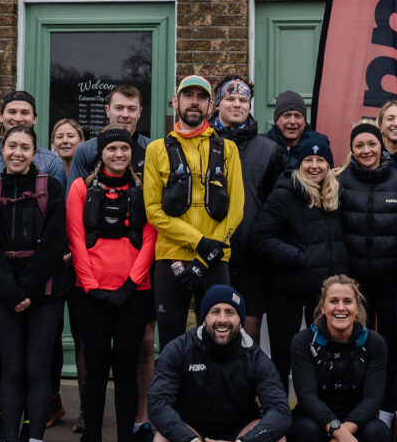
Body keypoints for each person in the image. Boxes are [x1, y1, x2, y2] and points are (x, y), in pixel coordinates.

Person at [148, 284, 290, 442]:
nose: (222, 319)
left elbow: (280, 412)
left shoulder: (255, 357)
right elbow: (158, 404)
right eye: (215, 311)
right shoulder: (179, 349)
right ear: (204, 317)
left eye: (230, 312)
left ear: (241, 321)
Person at [0, 124, 69, 442]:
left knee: (37, 369)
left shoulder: (52, 188)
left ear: (35, 153)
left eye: (25, 147)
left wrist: (28, 288)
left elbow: (54, 243)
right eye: (12, 146)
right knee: (10, 369)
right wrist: (12, 292)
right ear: (2, 150)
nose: (17, 153)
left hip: (45, 292)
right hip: (5, 295)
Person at [67, 126, 156, 442]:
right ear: (99, 153)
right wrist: (91, 286)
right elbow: (75, 235)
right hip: (91, 292)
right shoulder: (80, 187)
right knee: (95, 369)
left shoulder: (144, 189)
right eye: (112, 149)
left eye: (124, 148)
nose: (118, 154)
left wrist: (131, 284)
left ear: (132, 152)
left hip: (135, 291)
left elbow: (151, 237)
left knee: (127, 368)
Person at [144, 74, 245, 346]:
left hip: (215, 260)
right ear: (175, 102)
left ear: (210, 107)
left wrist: (210, 252)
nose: (194, 102)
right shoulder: (156, 150)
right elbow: (154, 211)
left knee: (218, 339)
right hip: (171, 258)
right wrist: (198, 242)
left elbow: (236, 208)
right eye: (188, 96)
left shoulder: (228, 149)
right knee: (171, 340)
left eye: (201, 97)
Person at [287, 275, 391, 442]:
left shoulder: (375, 343)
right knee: (300, 432)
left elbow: (373, 399)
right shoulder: (302, 342)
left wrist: (343, 433)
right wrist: (336, 430)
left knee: (382, 435)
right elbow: (307, 397)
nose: (340, 307)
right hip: (314, 421)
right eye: (333, 301)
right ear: (322, 307)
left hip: (357, 425)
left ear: (357, 308)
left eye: (347, 301)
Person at [334, 122, 397, 423]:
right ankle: (354, 412)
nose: (366, 150)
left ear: (381, 146)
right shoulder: (339, 182)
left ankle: (387, 412)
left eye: (371, 144)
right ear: (351, 150)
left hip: (391, 279)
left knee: (391, 346)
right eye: (359, 145)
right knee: (352, 344)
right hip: (353, 281)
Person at [253, 132, 348, 356]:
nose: (314, 166)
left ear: (329, 164)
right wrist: (298, 257)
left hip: (323, 290)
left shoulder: (337, 194)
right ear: (299, 163)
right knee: (282, 354)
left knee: (323, 355)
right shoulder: (284, 194)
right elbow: (260, 238)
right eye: (308, 160)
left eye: (320, 160)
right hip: (287, 288)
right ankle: (278, 393)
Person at [210, 76, 282, 355]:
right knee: (213, 329)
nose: (237, 104)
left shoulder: (268, 149)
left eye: (243, 100)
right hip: (211, 253)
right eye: (230, 98)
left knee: (249, 334)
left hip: (252, 256)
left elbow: (274, 204)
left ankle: (246, 396)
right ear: (217, 104)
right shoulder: (203, 143)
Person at [0, 90, 68, 188]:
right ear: (1, 117)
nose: (18, 118)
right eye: (12, 112)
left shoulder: (52, 163)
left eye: (25, 113)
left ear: (34, 119)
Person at [70, 84, 150, 178]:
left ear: (139, 113)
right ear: (107, 110)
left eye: (132, 109)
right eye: (119, 108)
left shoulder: (151, 150)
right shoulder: (85, 151)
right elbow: (76, 191)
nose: (125, 114)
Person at [266, 89, 310, 170]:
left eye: (297, 116)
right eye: (287, 115)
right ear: (276, 120)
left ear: (304, 121)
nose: (292, 121)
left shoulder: (316, 146)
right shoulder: (262, 146)